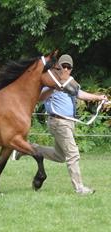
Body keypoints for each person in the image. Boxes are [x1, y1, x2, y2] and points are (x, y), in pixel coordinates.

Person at [15, 54, 108, 195]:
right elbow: (39, 97)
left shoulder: (70, 83)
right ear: (59, 67)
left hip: (69, 123)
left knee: (60, 156)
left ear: (71, 69)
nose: (65, 69)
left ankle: (28, 148)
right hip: (59, 122)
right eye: (63, 66)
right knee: (73, 154)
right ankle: (79, 188)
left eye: (68, 67)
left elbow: (80, 93)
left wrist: (98, 97)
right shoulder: (52, 82)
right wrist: (55, 87)